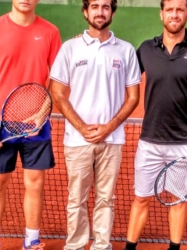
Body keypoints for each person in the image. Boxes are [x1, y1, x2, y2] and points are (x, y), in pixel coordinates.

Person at [123, 0, 187, 250]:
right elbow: (123, 81)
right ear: (161, 14)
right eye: (169, 9)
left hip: (184, 143)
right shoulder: (146, 49)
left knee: (179, 202)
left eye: (180, 10)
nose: (174, 14)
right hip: (149, 141)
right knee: (140, 199)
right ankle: (129, 247)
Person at [49, 0, 141, 249]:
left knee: (106, 199)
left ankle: (102, 245)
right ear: (85, 11)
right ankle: (76, 246)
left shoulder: (126, 50)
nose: (100, 12)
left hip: (112, 141)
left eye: (106, 7)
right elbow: (56, 92)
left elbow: (133, 97)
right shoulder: (70, 48)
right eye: (95, 6)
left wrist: (108, 127)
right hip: (77, 141)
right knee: (76, 199)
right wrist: (81, 127)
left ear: (112, 11)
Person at [0, 0, 61, 249]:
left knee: (35, 184)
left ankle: (31, 241)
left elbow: (57, 78)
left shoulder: (50, 32)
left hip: (37, 124)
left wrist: (42, 113)